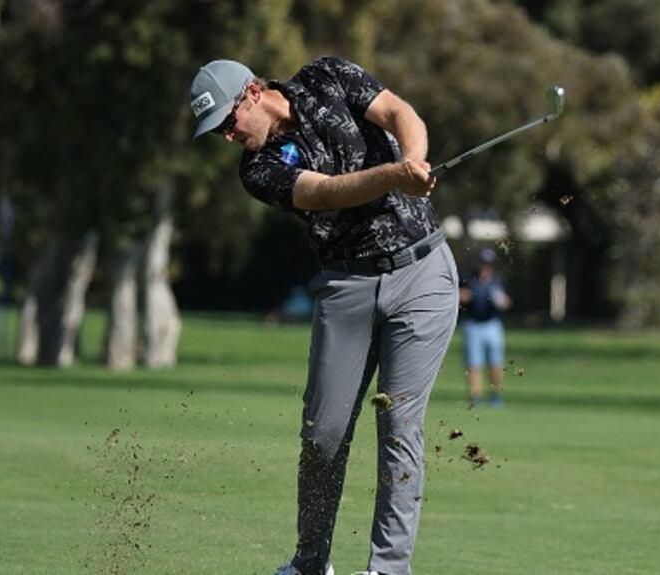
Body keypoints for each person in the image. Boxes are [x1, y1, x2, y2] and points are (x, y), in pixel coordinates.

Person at [189, 57, 459, 575]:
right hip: (346, 285)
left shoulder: (328, 76)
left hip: (422, 273)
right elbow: (323, 192)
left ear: (251, 93)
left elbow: (400, 112)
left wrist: (416, 160)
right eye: (218, 130)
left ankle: (387, 568)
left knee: (399, 424)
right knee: (323, 432)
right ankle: (311, 563)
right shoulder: (257, 169)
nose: (227, 136)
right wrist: (393, 175)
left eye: (227, 121)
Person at [459, 248, 512, 408]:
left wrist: (502, 301)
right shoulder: (469, 279)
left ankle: (495, 396)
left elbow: (507, 302)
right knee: (474, 364)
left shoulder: (498, 281)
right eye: (483, 263)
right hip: (472, 325)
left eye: (488, 264)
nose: (485, 267)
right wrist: (465, 296)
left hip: (492, 324)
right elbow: (459, 295)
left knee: (495, 364)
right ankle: (475, 396)